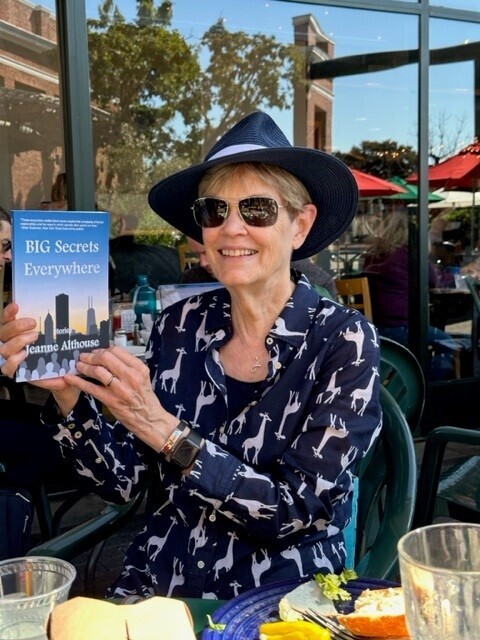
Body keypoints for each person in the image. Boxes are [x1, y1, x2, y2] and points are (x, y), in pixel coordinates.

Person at [0, 111, 381, 600]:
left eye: (258, 209)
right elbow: (122, 481)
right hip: (158, 587)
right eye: (214, 211)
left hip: (279, 599)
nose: (231, 228)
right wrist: (69, 396)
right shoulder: (180, 325)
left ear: (299, 225)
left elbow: (295, 511)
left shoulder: (344, 341)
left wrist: (164, 431)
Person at [363, 209, 480, 379]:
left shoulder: (373, 254)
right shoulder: (407, 252)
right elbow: (436, 279)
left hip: (377, 326)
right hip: (401, 327)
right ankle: (424, 384)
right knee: (449, 344)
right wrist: (463, 274)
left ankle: (409, 380)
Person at [181, 236, 337, 298]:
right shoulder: (191, 280)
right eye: (197, 254)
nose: (203, 262)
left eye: (208, 252)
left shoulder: (313, 280)